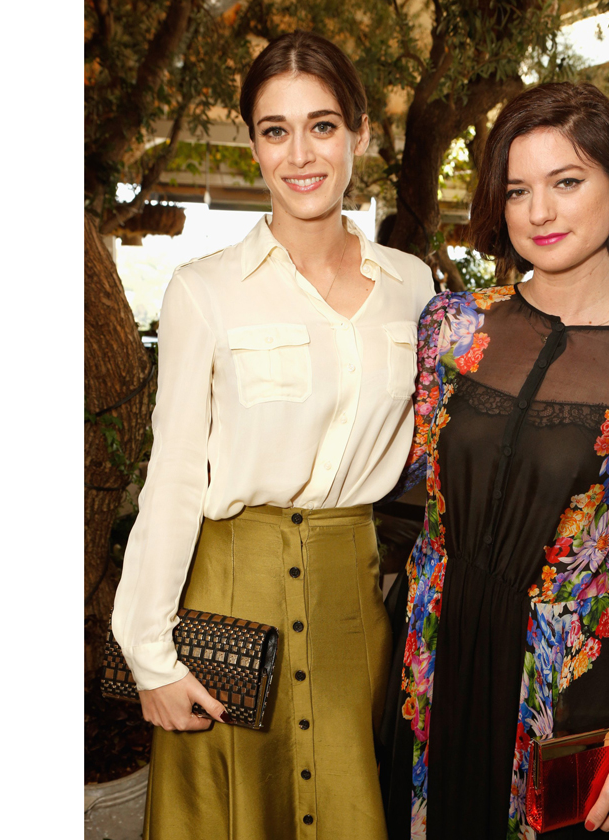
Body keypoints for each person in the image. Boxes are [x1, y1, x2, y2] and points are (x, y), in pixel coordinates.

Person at [110, 30, 436, 840]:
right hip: (228, 607)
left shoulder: (415, 288)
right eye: (275, 129)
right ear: (254, 143)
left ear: (359, 133)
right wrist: (149, 652)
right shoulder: (204, 291)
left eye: (322, 126)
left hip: (349, 614)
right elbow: (176, 476)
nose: (301, 154)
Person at [378, 82, 609, 840]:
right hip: (434, 663)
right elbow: (411, 492)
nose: (540, 212)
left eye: (567, 183)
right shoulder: (452, 328)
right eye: (519, 190)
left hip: (561, 689)